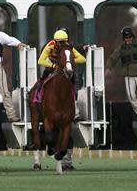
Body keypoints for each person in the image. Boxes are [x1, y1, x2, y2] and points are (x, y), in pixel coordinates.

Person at [37, 29, 86, 171]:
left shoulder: (68, 48)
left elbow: (82, 59)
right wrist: (54, 65)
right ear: (55, 41)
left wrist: (69, 61)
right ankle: (39, 95)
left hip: (65, 68)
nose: (62, 44)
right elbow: (40, 60)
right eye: (60, 42)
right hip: (52, 67)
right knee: (44, 78)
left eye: (64, 42)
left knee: (73, 80)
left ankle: (73, 100)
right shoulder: (50, 45)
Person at [105, 26, 137, 121]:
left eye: (130, 37)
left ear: (132, 37)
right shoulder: (121, 48)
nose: (128, 39)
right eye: (126, 38)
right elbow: (113, 57)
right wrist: (108, 67)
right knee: (131, 96)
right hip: (128, 75)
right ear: (124, 39)